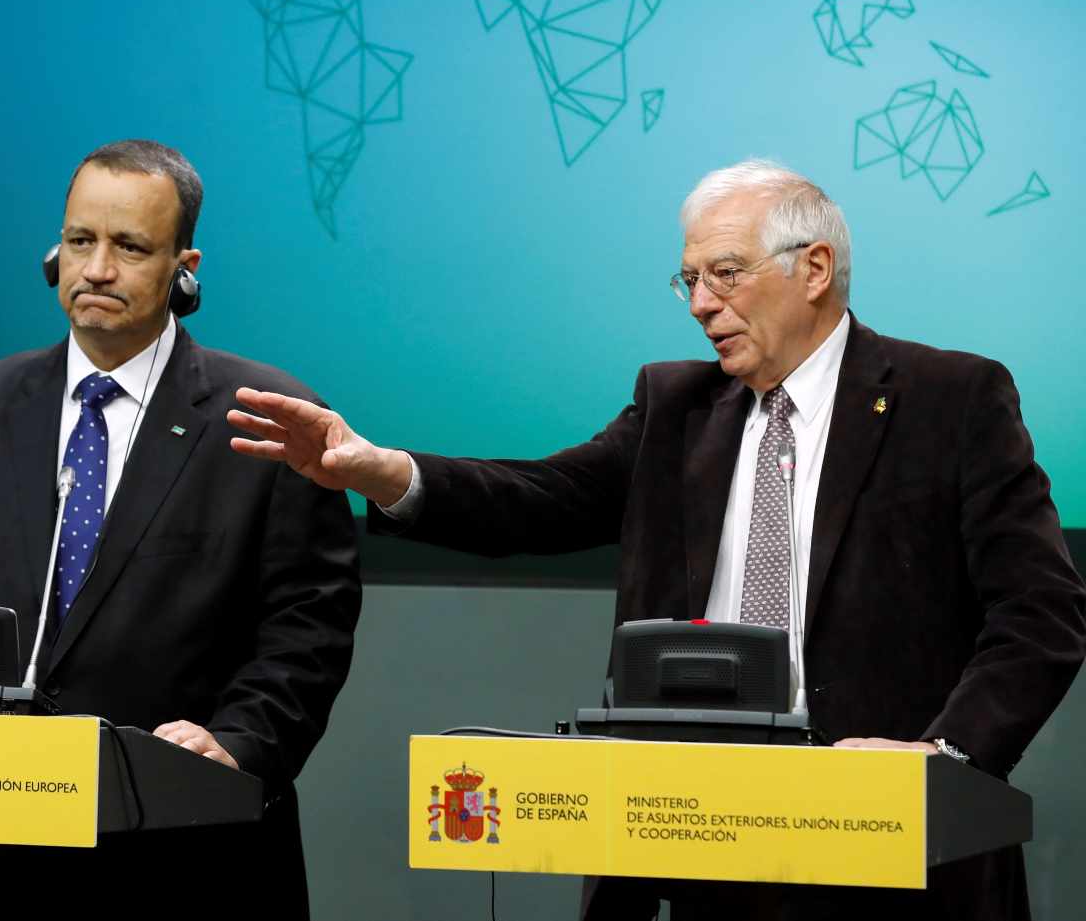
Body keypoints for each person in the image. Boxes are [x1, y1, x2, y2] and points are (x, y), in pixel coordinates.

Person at [228, 160, 1086, 920]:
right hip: (691, 844)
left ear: (815, 268)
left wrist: (945, 756)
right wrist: (382, 470)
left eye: (725, 273)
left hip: (887, 852)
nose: (703, 303)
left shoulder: (952, 399)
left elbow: (1041, 612)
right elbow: (543, 498)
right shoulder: (674, 407)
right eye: (688, 280)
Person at [0, 139, 361, 918]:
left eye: (129, 246)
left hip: (185, 852)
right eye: (79, 241)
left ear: (183, 267)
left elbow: (310, 627)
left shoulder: (267, 420)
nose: (97, 269)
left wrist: (238, 742)